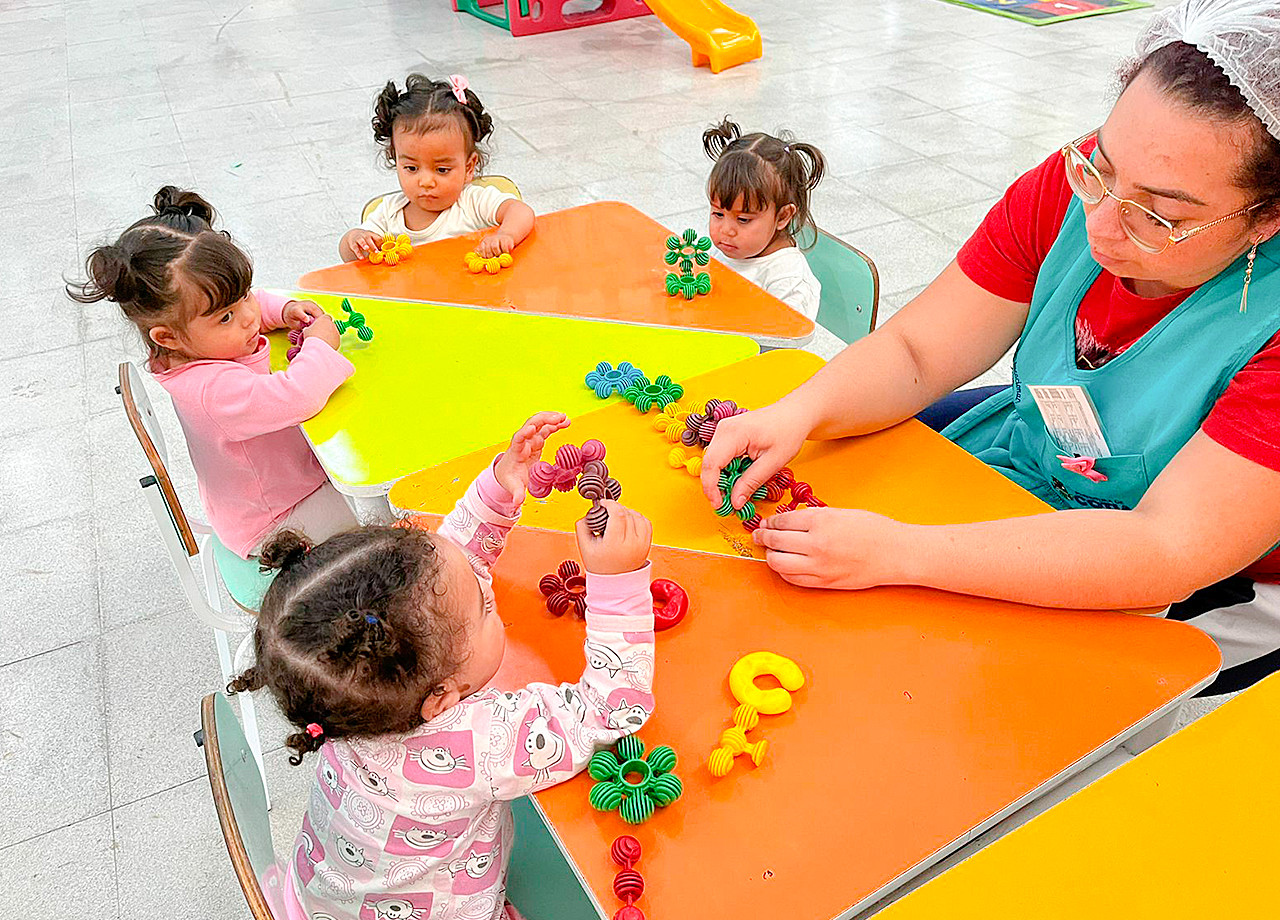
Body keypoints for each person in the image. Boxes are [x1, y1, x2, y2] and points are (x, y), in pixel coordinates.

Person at [702, 0, 1280, 695]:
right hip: (1034, 472)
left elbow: (1169, 546)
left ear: (1266, 218)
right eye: (1099, 167)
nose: (1100, 222)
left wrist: (903, 552)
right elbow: (918, 352)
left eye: (1160, 216)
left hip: (1200, 577)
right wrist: (800, 411)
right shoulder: (1071, 192)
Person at [229, 412, 656, 920]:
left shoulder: (349, 691)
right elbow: (608, 711)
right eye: (486, 609)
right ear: (443, 696)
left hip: (327, 897)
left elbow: (446, 574)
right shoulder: (478, 743)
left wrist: (500, 489)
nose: (486, 592)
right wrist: (619, 585)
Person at [68, 187, 357, 558]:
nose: (249, 316)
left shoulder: (191, 345)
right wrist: (319, 346)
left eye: (245, 295)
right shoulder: (210, 390)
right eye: (226, 316)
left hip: (275, 490)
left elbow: (245, 306)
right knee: (376, 536)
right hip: (276, 520)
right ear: (167, 336)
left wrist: (283, 310)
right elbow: (297, 395)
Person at [340, 73, 536, 262]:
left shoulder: (473, 203)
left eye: (442, 170)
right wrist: (356, 239)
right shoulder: (390, 213)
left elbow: (521, 212)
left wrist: (507, 234)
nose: (426, 182)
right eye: (411, 168)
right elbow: (348, 256)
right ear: (396, 161)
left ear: (469, 167)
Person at [701, 117, 827, 319]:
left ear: (783, 216)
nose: (726, 230)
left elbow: (781, 343)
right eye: (718, 214)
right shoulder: (732, 247)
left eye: (743, 219)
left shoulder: (789, 280)